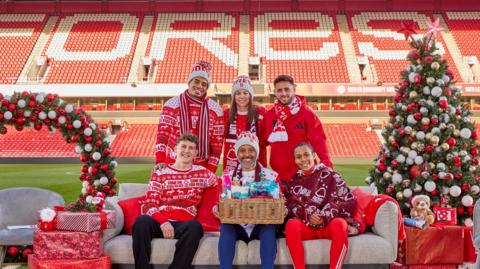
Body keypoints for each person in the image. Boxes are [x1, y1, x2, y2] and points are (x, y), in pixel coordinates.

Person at [133, 133, 219, 269]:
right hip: (160, 222)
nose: (187, 151)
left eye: (191, 148)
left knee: (195, 227)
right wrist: (163, 222)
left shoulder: (203, 173)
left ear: (196, 153)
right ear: (175, 150)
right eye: (183, 146)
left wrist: (216, 205)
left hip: (184, 225)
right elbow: (149, 204)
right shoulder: (160, 173)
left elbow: (222, 184)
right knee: (141, 221)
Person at [284, 142, 358, 269]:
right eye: (299, 157)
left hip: (328, 225)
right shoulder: (292, 183)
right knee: (291, 225)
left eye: (306, 155)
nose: (303, 160)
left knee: (340, 224)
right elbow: (289, 206)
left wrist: (325, 215)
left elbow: (349, 201)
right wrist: (307, 215)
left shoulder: (332, 176)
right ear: (295, 160)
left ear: (314, 155)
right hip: (306, 226)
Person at [216, 131, 279, 269]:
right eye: (242, 150)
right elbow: (221, 200)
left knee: (269, 228)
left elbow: (279, 202)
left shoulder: (271, 176)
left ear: (256, 152)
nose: (247, 154)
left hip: (260, 225)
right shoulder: (227, 176)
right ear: (237, 153)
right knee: (226, 226)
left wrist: (282, 208)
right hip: (237, 225)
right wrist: (217, 208)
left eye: (251, 150)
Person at [154, 60, 224, 173]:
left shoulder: (216, 110)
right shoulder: (172, 104)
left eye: (204, 84)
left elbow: (217, 144)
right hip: (174, 163)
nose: (199, 86)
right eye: (196, 81)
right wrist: (160, 160)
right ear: (189, 82)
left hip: (202, 166)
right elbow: (162, 135)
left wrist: (211, 169)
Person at [265, 74, 332, 181]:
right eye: (279, 90)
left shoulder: (306, 113)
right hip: (279, 175)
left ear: (294, 89)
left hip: (304, 173)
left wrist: (327, 166)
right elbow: (262, 142)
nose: (283, 93)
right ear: (275, 92)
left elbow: (318, 140)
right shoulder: (269, 115)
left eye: (287, 89)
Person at [223, 75, 267, 173]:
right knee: (230, 188)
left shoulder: (261, 112)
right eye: (238, 93)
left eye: (245, 93)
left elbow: (266, 139)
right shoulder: (226, 114)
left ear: (250, 95)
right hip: (231, 165)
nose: (242, 96)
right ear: (233, 96)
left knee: (257, 188)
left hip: (257, 165)